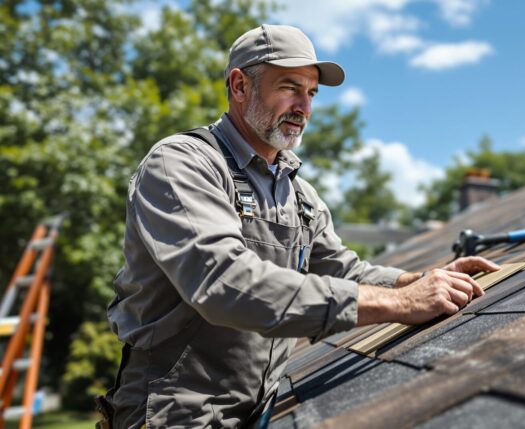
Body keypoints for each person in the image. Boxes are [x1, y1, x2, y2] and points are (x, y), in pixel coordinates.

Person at [103, 24, 499, 428]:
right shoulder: (182, 164)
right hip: (175, 414)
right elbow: (224, 283)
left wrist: (415, 281)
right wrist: (402, 305)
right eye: (290, 87)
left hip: (259, 414)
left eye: (311, 94)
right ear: (240, 86)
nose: (304, 108)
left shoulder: (298, 193)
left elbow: (345, 271)